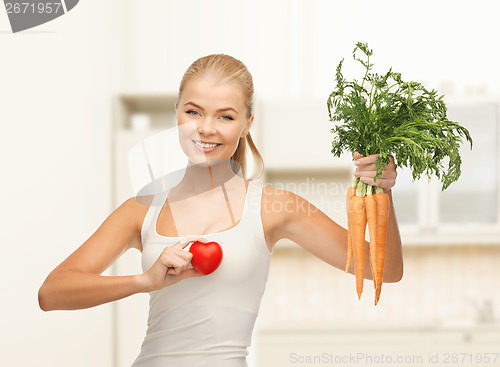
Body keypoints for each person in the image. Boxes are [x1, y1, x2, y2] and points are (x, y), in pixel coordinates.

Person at [38, 54, 403, 366]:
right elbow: (51, 293)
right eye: (193, 111)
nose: (206, 128)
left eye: (225, 117)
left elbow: (386, 270)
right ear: (177, 113)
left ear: (247, 124)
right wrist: (144, 282)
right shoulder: (142, 209)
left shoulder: (274, 208)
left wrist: (382, 194)